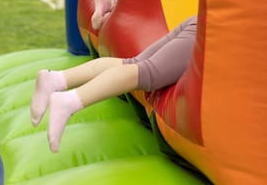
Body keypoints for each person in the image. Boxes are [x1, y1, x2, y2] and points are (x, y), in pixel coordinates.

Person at [31, 15, 197, 152]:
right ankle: (69, 101)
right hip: (208, 29)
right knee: (148, 73)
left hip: (197, 20)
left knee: (133, 64)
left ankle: (56, 79)